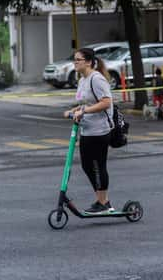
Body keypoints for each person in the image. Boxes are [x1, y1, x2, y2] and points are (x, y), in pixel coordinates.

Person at [64, 47, 114, 214]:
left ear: (87, 62)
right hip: (86, 129)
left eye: (78, 60)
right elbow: (86, 102)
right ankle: (103, 201)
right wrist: (74, 110)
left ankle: (102, 202)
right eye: (74, 60)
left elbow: (106, 102)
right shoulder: (82, 80)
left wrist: (84, 111)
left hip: (100, 131)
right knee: (87, 166)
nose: (75, 62)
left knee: (98, 166)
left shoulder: (97, 79)